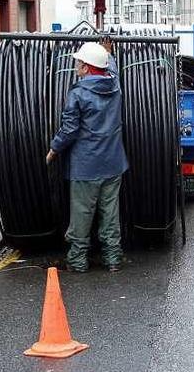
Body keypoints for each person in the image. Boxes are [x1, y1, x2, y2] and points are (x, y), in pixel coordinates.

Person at [46, 40, 128, 273]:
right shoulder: (115, 87)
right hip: (113, 164)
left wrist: (53, 150)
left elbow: (69, 130)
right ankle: (113, 259)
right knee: (110, 214)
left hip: (86, 167)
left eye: (79, 63)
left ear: (86, 68)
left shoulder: (78, 94)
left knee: (82, 214)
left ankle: (77, 261)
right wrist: (109, 55)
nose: (76, 66)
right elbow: (111, 70)